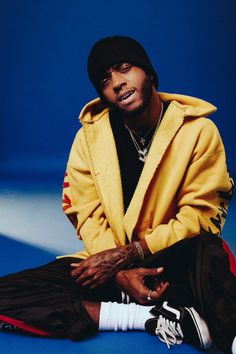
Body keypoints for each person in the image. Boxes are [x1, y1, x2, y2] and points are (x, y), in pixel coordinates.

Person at [0, 36, 235, 353]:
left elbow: (201, 217)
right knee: (6, 293)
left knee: (210, 251)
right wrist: (119, 272)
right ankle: (146, 316)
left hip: (173, 259)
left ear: (148, 73)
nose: (117, 84)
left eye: (124, 68)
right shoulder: (89, 139)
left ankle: (228, 335)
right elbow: (85, 213)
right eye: (105, 79)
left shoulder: (198, 132)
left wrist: (132, 254)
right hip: (111, 266)